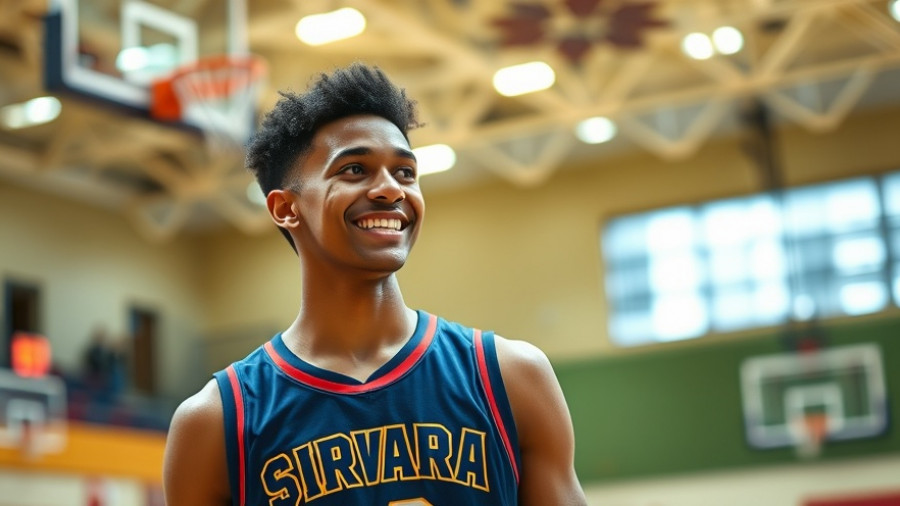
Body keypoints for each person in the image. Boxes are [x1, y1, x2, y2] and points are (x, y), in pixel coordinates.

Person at [163, 63, 587, 506]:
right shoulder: (216, 421)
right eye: (354, 170)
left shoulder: (511, 377)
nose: (391, 190)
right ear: (286, 208)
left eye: (405, 173)